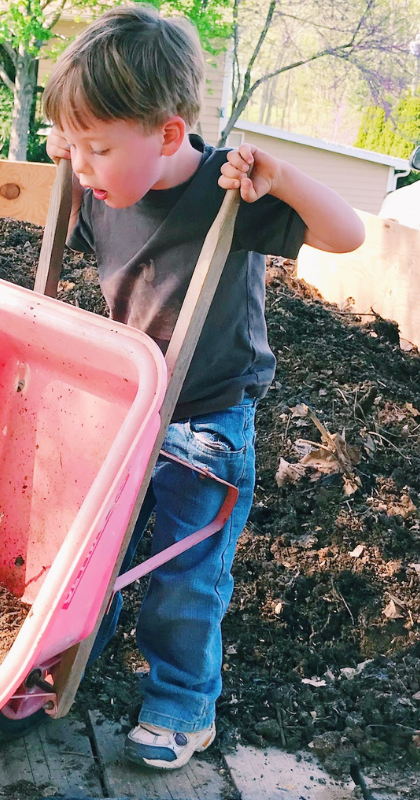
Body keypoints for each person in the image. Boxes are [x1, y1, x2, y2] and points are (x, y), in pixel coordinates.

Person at [40, 4, 365, 771]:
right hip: (129, 407)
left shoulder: (231, 195)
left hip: (208, 419)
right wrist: (79, 157)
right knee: (90, 546)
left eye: (98, 147)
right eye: (74, 145)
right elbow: (86, 204)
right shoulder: (105, 190)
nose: (81, 165)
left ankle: (183, 704)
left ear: (167, 135)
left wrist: (280, 177)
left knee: (187, 570)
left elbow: (347, 233)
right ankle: (66, 654)